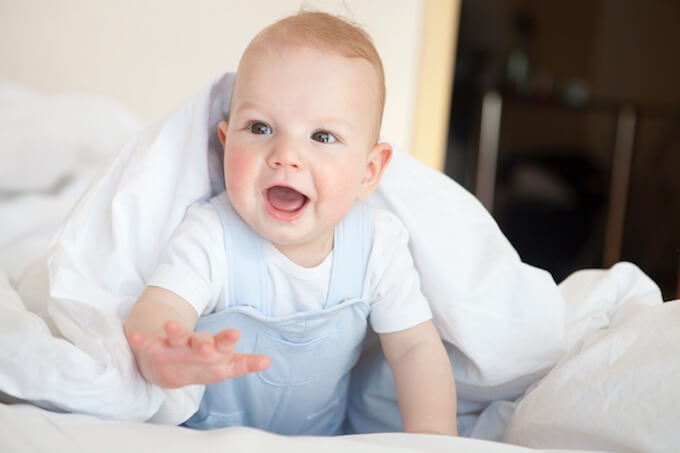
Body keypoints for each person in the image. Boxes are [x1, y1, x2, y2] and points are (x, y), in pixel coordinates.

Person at [124, 11, 457, 436]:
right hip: (207, 439)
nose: (285, 154)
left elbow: (414, 348)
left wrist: (434, 440)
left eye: (322, 136)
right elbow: (159, 308)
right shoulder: (213, 233)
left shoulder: (376, 244)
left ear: (369, 171)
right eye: (260, 128)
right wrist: (165, 353)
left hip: (321, 439)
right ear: (225, 145)